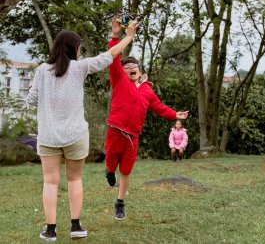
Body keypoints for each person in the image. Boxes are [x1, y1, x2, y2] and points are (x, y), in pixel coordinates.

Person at [26, 21, 138, 242]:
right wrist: (128, 36)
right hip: (76, 136)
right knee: (75, 179)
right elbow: (110, 55)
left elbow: (31, 99)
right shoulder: (80, 68)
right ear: (73, 48)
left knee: (50, 182)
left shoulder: (41, 71)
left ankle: (50, 230)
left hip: (48, 136)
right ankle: (76, 227)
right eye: (78, 46)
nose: (79, 50)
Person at [105, 18, 189, 220]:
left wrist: (175, 114)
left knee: (126, 171)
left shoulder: (147, 90)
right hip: (115, 131)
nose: (132, 67)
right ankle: (108, 171)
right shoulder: (118, 80)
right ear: (122, 71)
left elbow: (159, 108)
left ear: (140, 72)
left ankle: (120, 202)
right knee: (111, 163)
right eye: (128, 66)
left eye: (135, 66)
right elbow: (114, 57)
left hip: (133, 137)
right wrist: (116, 36)